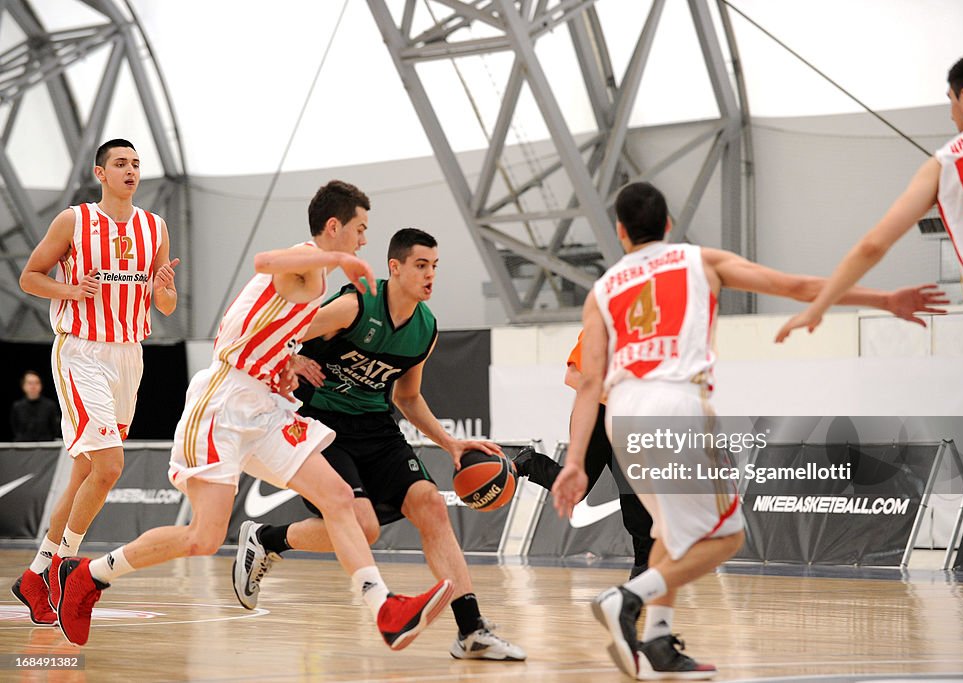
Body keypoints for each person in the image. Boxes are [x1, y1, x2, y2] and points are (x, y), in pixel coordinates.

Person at [552, 181, 950, 679]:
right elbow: (796, 286)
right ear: (669, 225)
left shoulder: (603, 289)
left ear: (620, 231)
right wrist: (883, 297)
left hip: (622, 413)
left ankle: (656, 640)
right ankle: (627, 598)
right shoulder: (700, 260)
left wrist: (574, 462)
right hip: (675, 406)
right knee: (727, 537)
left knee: (670, 533)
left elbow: (589, 381)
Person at [53, 181, 453, 648]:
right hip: (223, 402)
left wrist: (288, 361)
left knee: (341, 499)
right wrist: (340, 259)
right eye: (360, 229)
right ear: (334, 226)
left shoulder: (316, 277)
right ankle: (90, 576)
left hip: (264, 407)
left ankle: (382, 606)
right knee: (204, 537)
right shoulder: (306, 263)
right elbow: (264, 262)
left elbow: (267, 328)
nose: (364, 239)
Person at [776, 49, 963, 564]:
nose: (950, 114)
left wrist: (820, 304)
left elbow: (873, 245)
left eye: (950, 103)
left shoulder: (946, 160)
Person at [234, 228, 526, 661]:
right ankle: (268, 539)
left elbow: (407, 397)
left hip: (376, 427)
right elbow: (285, 329)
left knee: (430, 503)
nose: (430, 276)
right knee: (364, 526)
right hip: (323, 423)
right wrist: (292, 356)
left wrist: (450, 444)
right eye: (421, 266)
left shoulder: (425, 330)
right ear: (396, 268)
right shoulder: (356, 304)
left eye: (435, 267)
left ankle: (472, 630)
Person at [11, 139, 179, 627]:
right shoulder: (74, 220)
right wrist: (70, 289)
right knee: (108, 465)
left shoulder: (156, 228)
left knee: (88, 472)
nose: (130, 170)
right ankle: (66, 568)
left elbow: (164, 305)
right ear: (100, 173)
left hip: (129, 355)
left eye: (135, 164)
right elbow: (29, 277)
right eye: (120, 164)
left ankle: (35, 574)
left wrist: (162, 287)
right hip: (81, 349)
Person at [512, 332, 655, 579]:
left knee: (639, 506)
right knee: (579, 490)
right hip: (599, 413)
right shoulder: (604, 322)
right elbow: (575, 376)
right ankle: (530, 462)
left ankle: (643, 576)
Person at [9, 370, 61, 441]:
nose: (33, 386)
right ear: (23, 386)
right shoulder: (17, 407)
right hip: (23, 448)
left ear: (41, 385)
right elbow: (15, 428)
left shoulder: (50, 406)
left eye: (36, 383)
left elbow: (55, 429)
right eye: (30, 383)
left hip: (46, 448)